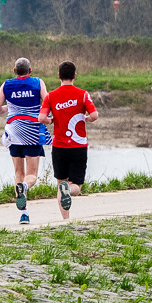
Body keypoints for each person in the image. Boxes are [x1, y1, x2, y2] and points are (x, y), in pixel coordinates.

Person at [0, 57, 47, 224]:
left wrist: (12, 107)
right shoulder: (38, 82)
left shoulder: (6, 85)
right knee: (31, 175)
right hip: (32, 132)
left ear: (15, 71)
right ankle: (25, 187)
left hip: (13, 132)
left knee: (18, 174)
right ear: (30, 71)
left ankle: (24, 214)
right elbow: (48, 103)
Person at [40, 61, 100, 217]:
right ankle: (68, 189)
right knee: (76, 187)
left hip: (59, 147)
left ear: (58, 75)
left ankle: (65, 220)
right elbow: (94, 115)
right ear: (75, 76)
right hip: (78, 146)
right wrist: (86, 118)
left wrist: (50, 120)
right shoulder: (83, 94)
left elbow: (41, 118)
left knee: (61, 184)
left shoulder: (50, 96)